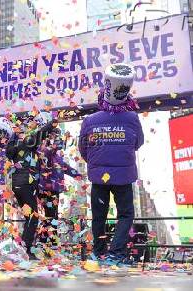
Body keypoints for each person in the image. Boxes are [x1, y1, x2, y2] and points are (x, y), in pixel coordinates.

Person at [79, 63, 144, 265]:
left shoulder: (90, 120)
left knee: (99, 216)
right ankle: (116, 253)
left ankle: (98, 254)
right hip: (123, 177)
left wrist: (97, 162)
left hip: (99, 177)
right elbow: (139, 142)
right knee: (125, 214)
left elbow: (83, 148)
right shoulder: (132, 117)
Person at [6, 113, 57, 259]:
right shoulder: (26, 142)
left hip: (17, 184)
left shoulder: (14, 145)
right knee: (33, 217)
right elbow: (40, 133)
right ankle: (26, 249)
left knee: (29, 216)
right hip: (26, 183)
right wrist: (52, 123)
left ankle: (23, 247)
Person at [38, 128, 81, 247]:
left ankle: (49, 242)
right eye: (54, 136)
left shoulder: (56, 155)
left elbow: (64, 166)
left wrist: (77, 174)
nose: (56, 138)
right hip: (46, 189)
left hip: (54, 189)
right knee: (50, 215)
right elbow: (47, 153)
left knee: (53, 215)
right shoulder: (43, 150)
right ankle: (48, 242)